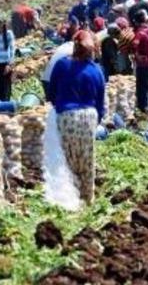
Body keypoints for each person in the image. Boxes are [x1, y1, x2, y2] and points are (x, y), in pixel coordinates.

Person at [48, 31, 105, 204]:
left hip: (66, 116)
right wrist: (97, 121)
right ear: (92, 49)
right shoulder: (96, 70)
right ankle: (87, 199)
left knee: (67, 158)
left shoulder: (62, 65)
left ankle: (68, 199)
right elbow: (100, 102)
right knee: (87, 159)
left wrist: (59, 105)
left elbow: (51, 93)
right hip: (89, 117)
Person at [130, 10, 148, 117]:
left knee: (142, 91)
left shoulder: (140, 33)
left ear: (136, 22)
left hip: (144, 66)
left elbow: (134, 45)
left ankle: (144, 115)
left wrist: (137, 56)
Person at [0, 13, 15, 101]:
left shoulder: (8, 34)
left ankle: (5, 105)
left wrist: (9, 64)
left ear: (4, 23)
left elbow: (12, 49)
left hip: (5, 64)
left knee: (5, 87)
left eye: (0, 23)